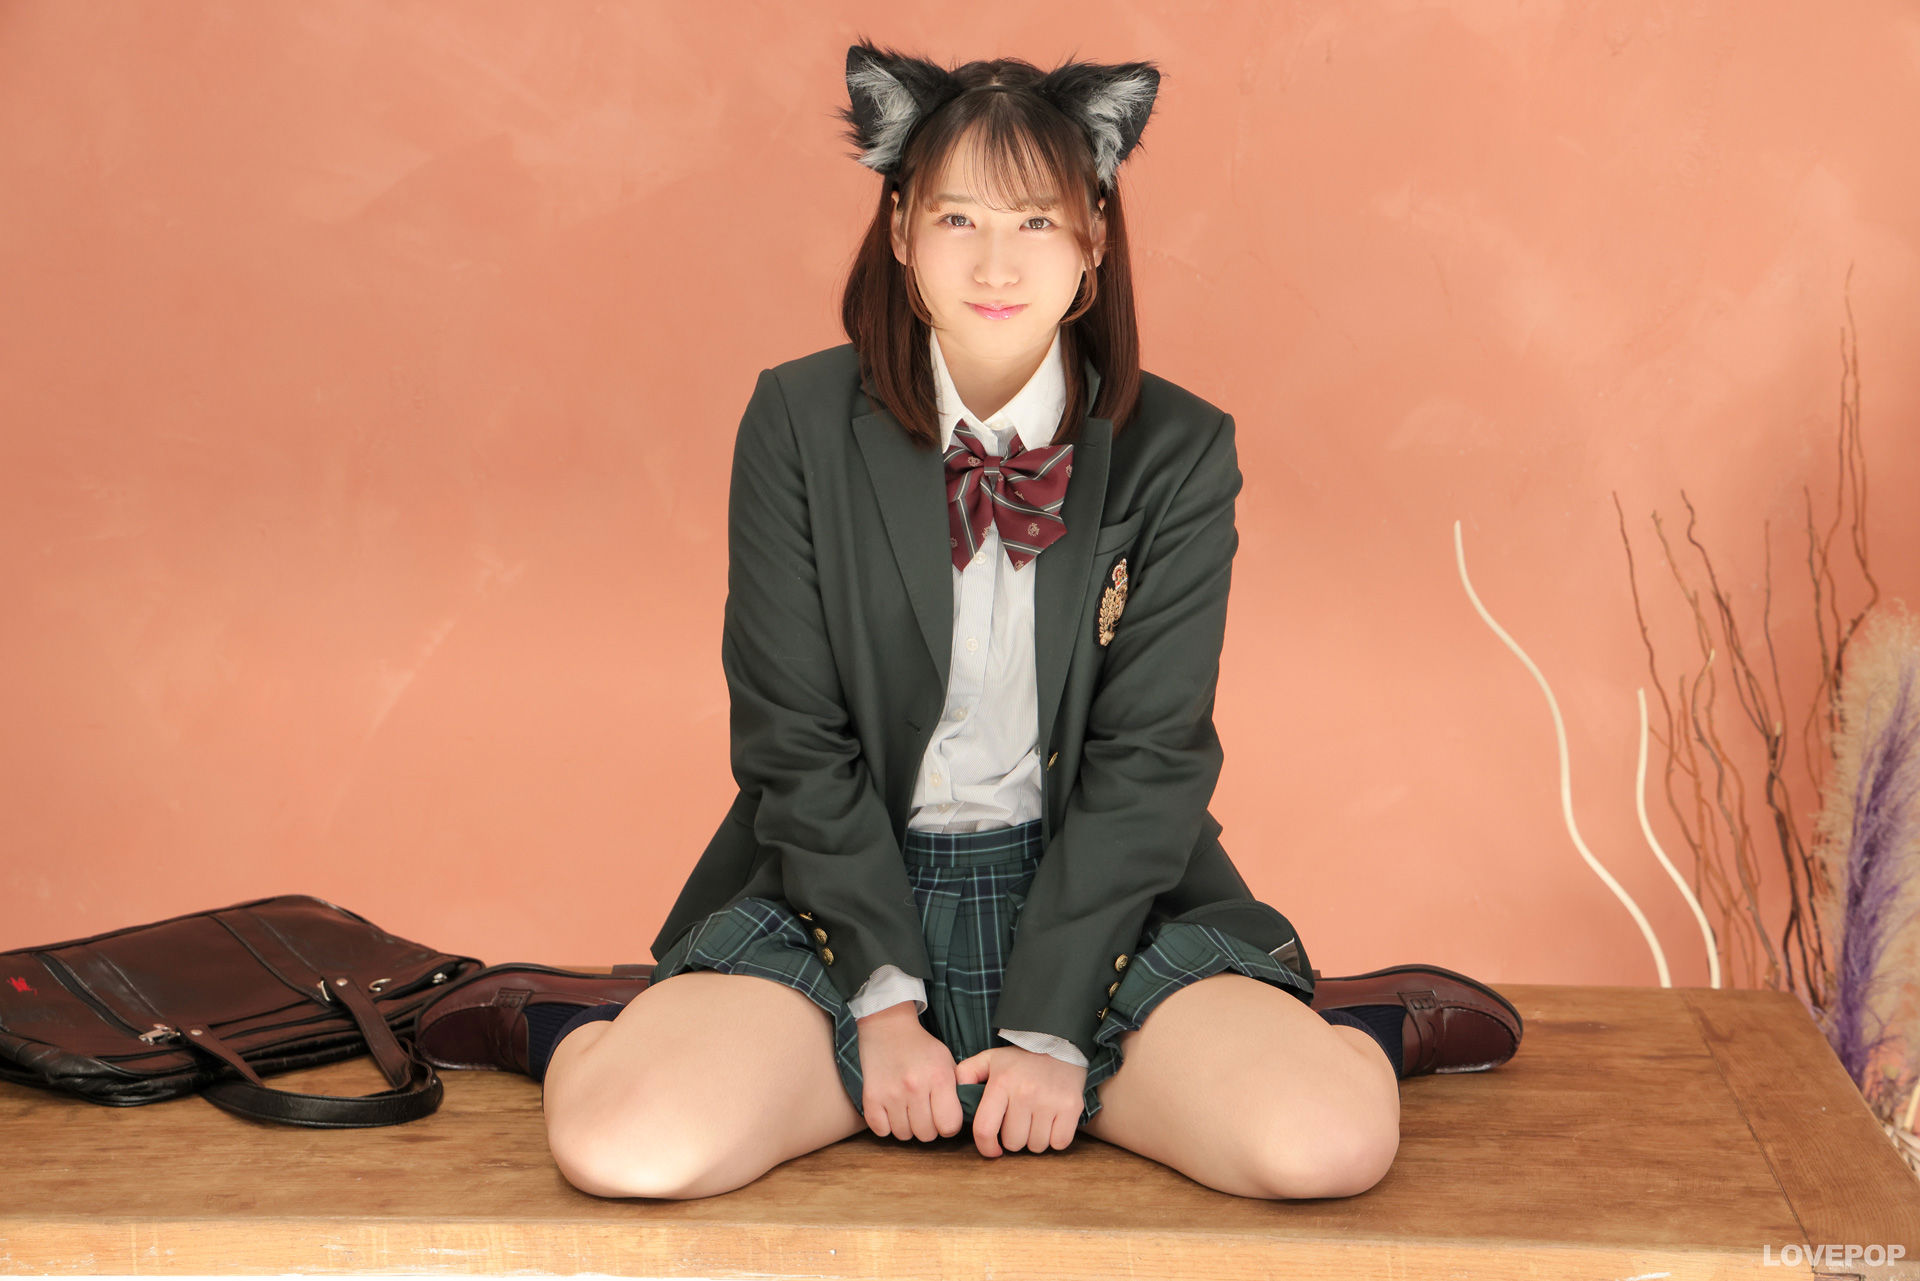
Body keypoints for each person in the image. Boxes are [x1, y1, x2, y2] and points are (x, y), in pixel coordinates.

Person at [413, 39, 1523, 1203]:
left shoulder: (1181, 450)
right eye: (958, 220)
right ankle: (578, 1025)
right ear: (900, 229)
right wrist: (884, 1006)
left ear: (1095, 235)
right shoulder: (795, 420)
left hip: (1100, 908)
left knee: (1325, 1146)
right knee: (626, 1148)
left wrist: (1048, 1032)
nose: (997, 262)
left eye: (1037, 221)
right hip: (841, 897)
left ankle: (1344, 1025)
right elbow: (792, 740)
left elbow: (1152, 758)